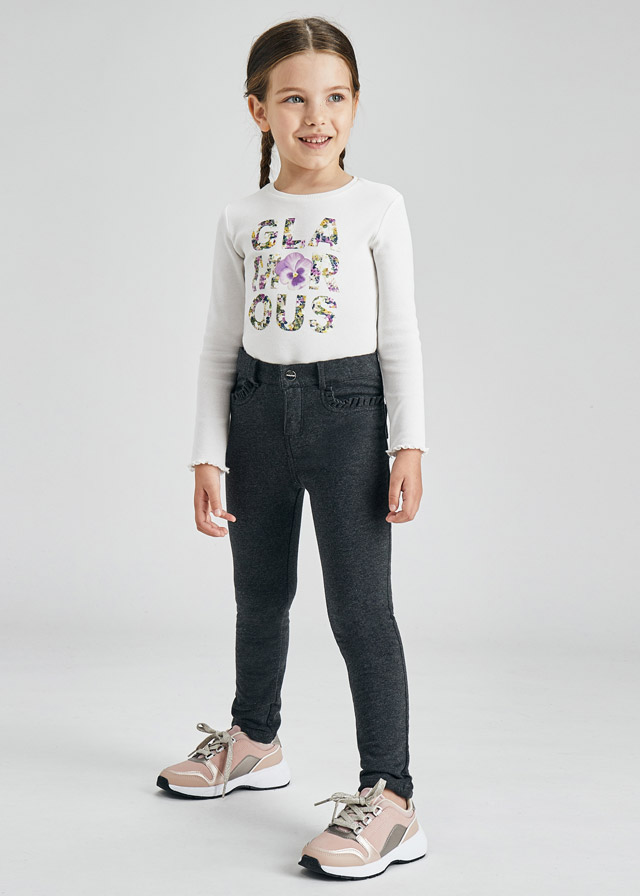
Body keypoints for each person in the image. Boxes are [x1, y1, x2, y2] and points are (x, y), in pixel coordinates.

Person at [156, 16, 429, 880]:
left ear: (356, 104)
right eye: (295, 100)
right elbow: (218, 341)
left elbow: (400, 336)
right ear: (258, 110)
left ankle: (391, 796)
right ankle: (255, 739)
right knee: (260, 593)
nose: (317, 117)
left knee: (359, 609)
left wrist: (408, 443)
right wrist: (206, 452)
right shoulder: (242, 217)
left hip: (349, 414)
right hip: (256, 412)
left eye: (335, 97)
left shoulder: (379, 207)